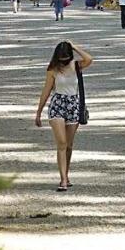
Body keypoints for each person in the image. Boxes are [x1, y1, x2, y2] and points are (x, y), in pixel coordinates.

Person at [33, 41, 93, 191]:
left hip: (74, 105)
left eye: (66, 58)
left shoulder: (76, 65)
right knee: (61, 143)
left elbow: (89, 59)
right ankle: (63, 180)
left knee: (69, 145)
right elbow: (46, 90)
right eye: (61, 59)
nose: (63, 61)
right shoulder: (52, 69)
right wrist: (39, 112)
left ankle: (66, 174)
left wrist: (74, 46)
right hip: (57, 105)